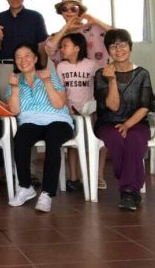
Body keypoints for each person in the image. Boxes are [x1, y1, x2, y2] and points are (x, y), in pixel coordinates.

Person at [46, 0, 112, 190]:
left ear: (81, 10)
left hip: (96, 91)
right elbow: (50, 48)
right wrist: (67, 28)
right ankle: (74, 178)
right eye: (64, 8)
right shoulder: (59, 36)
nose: (69, 12)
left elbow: (118, 35)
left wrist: (93, 20)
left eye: (73, 8)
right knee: (72, 139)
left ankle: (98, 176)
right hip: (68, 97)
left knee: (99, 136)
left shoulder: (94, 29)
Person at [6, 42, 73, 212]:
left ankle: (47, 193)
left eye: (27, 56)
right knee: (20, 138)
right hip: (31, 122)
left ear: (36, 58)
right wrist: (14, 88)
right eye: (18, 57)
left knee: (53, 141)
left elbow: (59, 104)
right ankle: (25, 187)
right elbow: (14, 110)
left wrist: (47, 82)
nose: (23, 60)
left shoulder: (50, 76)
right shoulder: (14, 81)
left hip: (58, 120)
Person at [94, 29, 155, 211]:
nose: (118, 49)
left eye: (122, 45)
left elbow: (145, 106)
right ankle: (131, 186)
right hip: (108, 123)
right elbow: (113, 107)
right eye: (113, 46)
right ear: (108, 50)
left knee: (134, 139)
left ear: (130, 47)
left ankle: (128, 190)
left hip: (136, 122)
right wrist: (112, 80)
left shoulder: (142, 74)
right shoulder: (101, 74)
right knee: (116, 138)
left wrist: (128, 124)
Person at [0, 0, 48, 101]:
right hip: (5, 68)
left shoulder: (36, 17)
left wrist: (41, 69)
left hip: (30, 68)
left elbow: (42, 47)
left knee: (31, 103)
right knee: (5, 105)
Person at [56, 33, 100, 192]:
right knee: (72, 145)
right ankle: (73, 179)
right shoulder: (61, 66)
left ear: (77, 47)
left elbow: (100, 87)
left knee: (88, 145)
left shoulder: (92, 65)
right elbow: (60, 89)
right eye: (61, 46)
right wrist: (65, 107)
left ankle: (88, 177)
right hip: (69, 113)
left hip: (88, 114)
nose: (62, 49)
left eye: (65, 46)